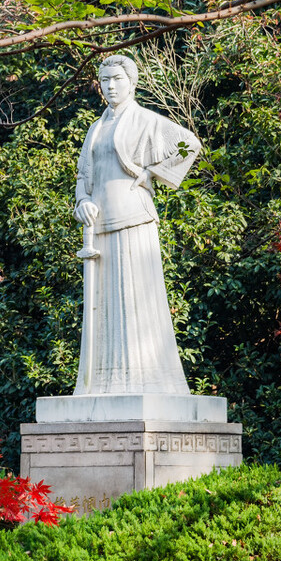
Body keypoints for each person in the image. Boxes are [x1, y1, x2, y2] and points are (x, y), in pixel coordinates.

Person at [73, 55, 200, 395]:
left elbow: (190, 144)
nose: (110, 86)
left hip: (134, 219)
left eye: (116, 79)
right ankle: (100, 383)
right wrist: (82, 202)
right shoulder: (95, 127)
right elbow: (84, 175)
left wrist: (152, 173)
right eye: (104, 81)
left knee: (136, 301)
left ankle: (145, 379)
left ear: (132, 82)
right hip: (98, 228)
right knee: (103, 310)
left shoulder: (146, 119)